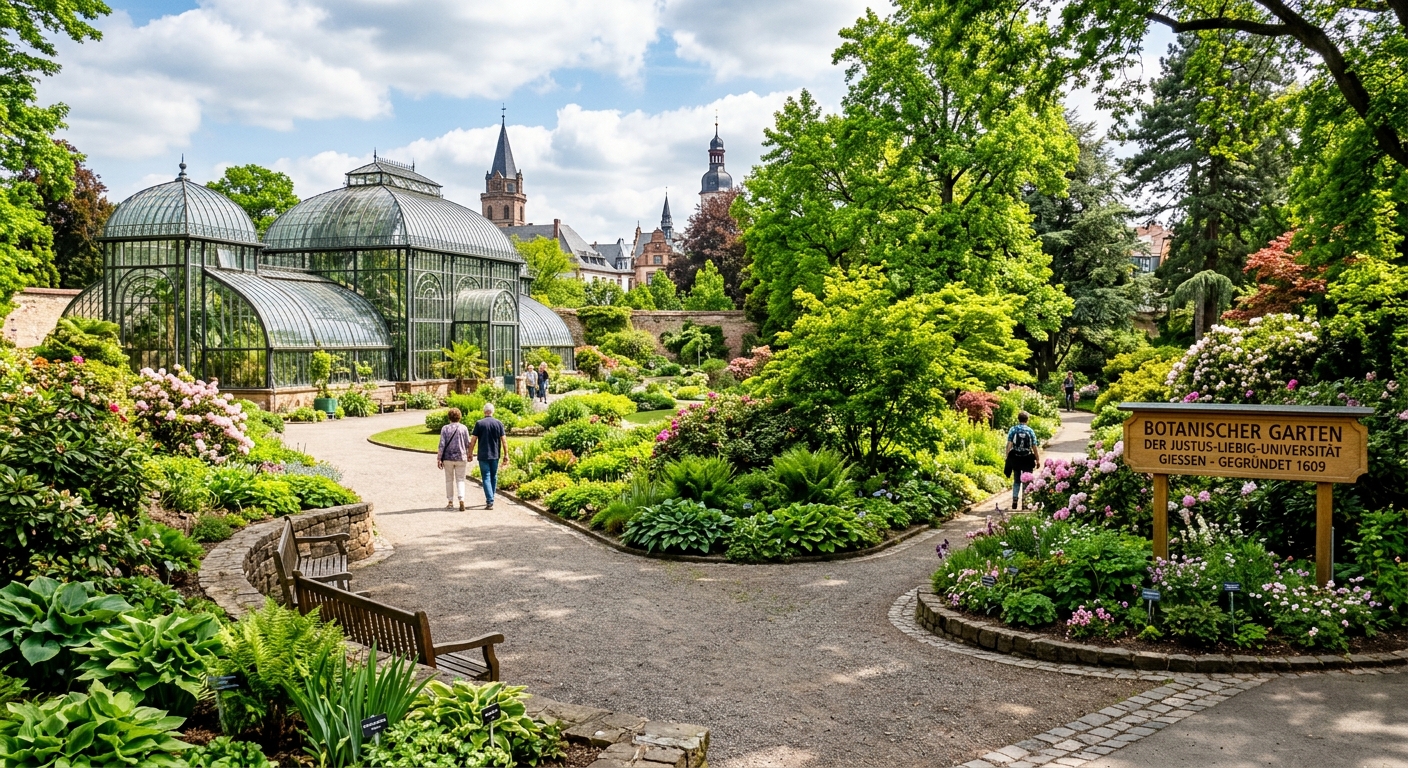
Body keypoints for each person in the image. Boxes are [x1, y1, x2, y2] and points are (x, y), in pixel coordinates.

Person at [468, 402, 509, 509]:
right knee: (493, 476)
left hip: (483, 455)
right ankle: (491, 497)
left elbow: (473, 440)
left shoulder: (479, 423)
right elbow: (504, 441)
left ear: (484, 411)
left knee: (486, 477)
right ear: (492, 411)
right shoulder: (498, 423)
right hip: (495, 454)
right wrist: (506, 454)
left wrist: (470, 453)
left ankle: (490, 500)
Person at [436, 407, 471, 510]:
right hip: (461, 457)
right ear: (459, 417)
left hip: (448, 458)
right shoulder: (463, 428)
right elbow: (467, 443)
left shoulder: (445, 428)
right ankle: (461, 499)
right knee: (460, 479)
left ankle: (450, 501)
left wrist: (439, 458)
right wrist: (469, 454)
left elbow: (441, 445)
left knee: (449, 480)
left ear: (449, 417)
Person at [1005, 411, 1039, 510]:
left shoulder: (1013, 430)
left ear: (1018, 419)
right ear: (1027, 420)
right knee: (1027, 480)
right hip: (1027, 458)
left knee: (1016, 480)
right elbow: (1034, 446)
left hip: (1016, 458)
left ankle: (1015, 499)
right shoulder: (1030, 431)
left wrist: (1007, 456)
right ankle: (1025, 501)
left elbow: (1009, 444)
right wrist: (1037, 459)